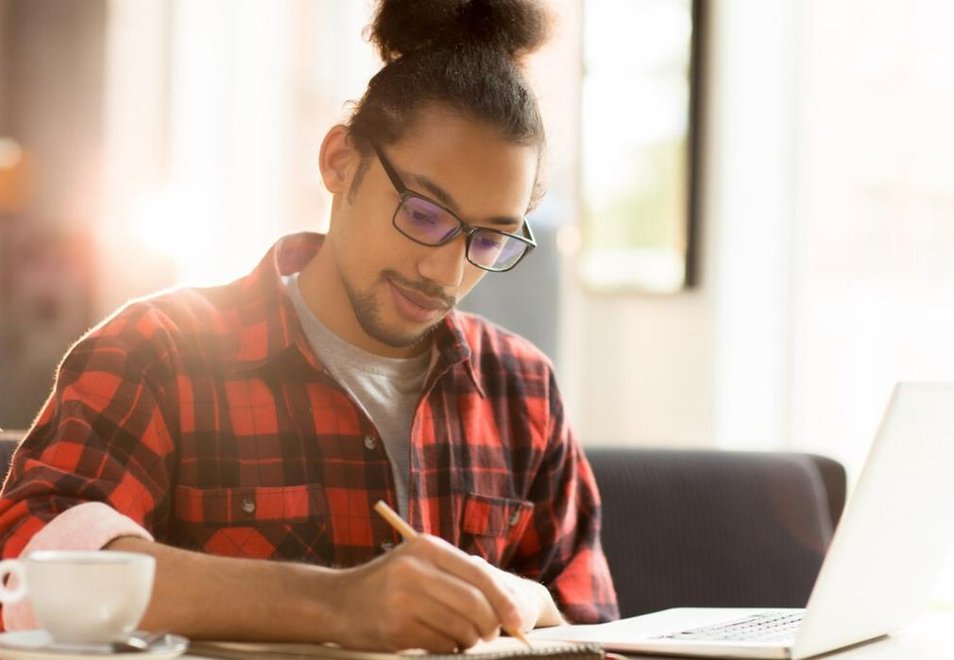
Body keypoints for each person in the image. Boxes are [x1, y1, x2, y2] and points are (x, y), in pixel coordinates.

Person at [0, 0, 618, 651]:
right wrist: (334, 604)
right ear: (339, 160)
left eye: (487, 241)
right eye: (424, 214)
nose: (443, 270)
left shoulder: (524, 390)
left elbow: (595, 631)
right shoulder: (157, 350)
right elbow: (30, 565)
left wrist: (530, 599)